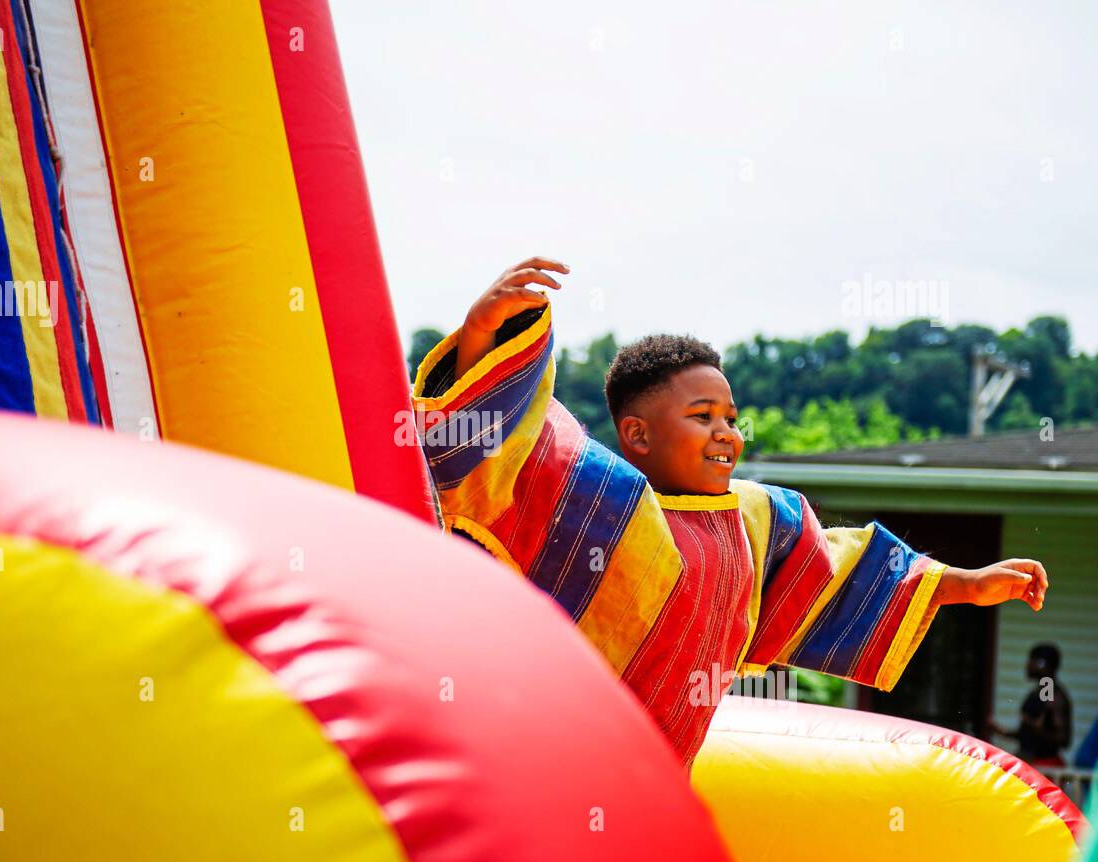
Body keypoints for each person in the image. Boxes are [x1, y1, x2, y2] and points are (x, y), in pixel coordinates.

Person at [411, 257, 1049, 771]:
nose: (726, 434)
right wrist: (479, 336)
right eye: (701, 417)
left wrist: (964, 584)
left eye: (731, 418)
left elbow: (839, 570)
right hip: (538, 758)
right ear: (636, 435)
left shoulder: (754, 522)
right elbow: (501, 455)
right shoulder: (598, 497)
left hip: (657, 781)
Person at [989, 643, 1072, 767]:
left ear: (1042, 664)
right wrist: (1002, 732)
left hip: (1044, 767)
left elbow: (1063, 739)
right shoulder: (1043, 690)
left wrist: (1035, 727)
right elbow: (1031, 735)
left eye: (1031, 660)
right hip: (1030, 765)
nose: (1027, 665)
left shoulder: (1050, 692)